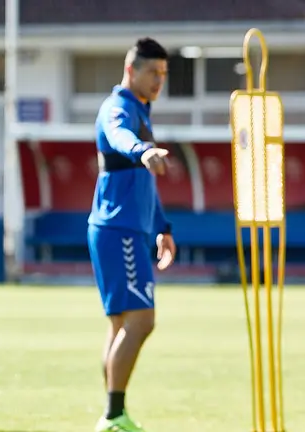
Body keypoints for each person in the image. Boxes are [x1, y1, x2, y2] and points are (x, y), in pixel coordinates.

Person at [88, 37, 177, 432]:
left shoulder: (142, 109)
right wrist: (143, 150)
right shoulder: (118, 108)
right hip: (117, 228)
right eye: (152, 72)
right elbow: (120, 138)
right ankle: (113, 415)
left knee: (122, 324)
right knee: (142, 321)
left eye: (163, 73)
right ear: (130, 70)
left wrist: (162, 229)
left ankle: (113, 414)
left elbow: (144, 185)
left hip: (129, 229)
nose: (159, 80)